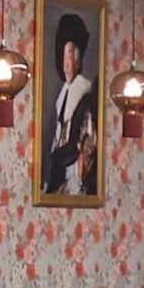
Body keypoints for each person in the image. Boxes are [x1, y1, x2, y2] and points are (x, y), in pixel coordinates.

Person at [42, 15, 98, 195]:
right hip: (59, 167)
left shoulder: (85, 90)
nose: (70, 59)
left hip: (75, 167)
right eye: (66, 52)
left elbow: (85, 139)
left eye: (74, 52)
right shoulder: (62, 94)